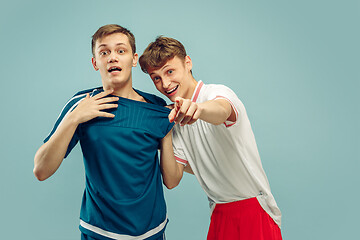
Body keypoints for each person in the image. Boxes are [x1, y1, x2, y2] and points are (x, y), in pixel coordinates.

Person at [33, 25, 175, 240]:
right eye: (104, 52)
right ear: (95, 62)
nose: (112, 58)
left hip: (151, 232)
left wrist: (168, 126)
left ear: (134, 59)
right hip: (99, 232)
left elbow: (172, 178)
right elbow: (41, 170)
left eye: (120, 51)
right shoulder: (82, 104)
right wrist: (74, 118)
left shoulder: (157, 108)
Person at [139, 36, 282, 240]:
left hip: (254, 208)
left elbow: (222, 110)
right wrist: (165, 131)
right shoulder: (176, 121)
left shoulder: (216, 93)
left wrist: (198, 108)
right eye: (156, 78)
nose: (165, 83)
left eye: (170, 71)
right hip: (219, 212)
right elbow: (171, 180)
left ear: (187, 63)